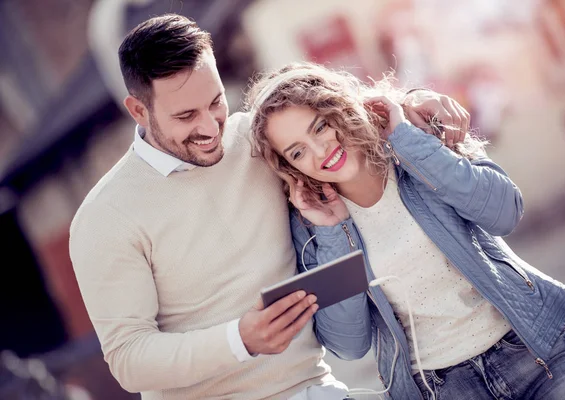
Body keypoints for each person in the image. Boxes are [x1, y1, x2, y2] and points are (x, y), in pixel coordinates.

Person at [68, 14, 469, 400]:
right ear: (138, 110)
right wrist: (238, 340)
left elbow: (338, 119)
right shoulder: (105, 217)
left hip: (317, 388)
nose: (210, 128)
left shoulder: (254, 140)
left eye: (215, 102)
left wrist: (411, 101)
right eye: (186, 115)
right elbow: (128, 359)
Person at [247, 62, 565, 400]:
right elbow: (348, 344)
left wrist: (409, 140)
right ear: (289, 166)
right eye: (297, 151)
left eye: (320, 126)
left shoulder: (414, 137)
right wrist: (333, 234)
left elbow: (504, 212)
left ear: (340, 107)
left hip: (535, 349)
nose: (320, 150)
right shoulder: (310, 227)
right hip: (443, 387)